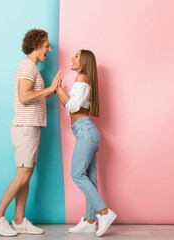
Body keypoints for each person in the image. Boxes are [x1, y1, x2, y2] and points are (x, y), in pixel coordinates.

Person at [0, 29, 62, 237]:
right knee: (22, 175)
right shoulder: (27, 66)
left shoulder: (33, 68)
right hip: (24, 129)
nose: (49, 49)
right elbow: (24, 97)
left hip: (30, 128)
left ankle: (19, 221)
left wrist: (52, 91)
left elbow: (33, 97)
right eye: (46, 45)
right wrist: (51, 88)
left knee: (26, 176)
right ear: (36, 45)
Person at [56, 50, 117, 237]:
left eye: (76, 56)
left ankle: (104, 212)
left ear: (84, 61)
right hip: (85, 131)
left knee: (77, 175)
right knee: (90, 179)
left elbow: (73, 107)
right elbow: (71, 107)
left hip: (85, 131)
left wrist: (57, 88)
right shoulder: (82, 79)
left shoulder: (82, 77)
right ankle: (90, 221)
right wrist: (58, 89)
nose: (72, 58)